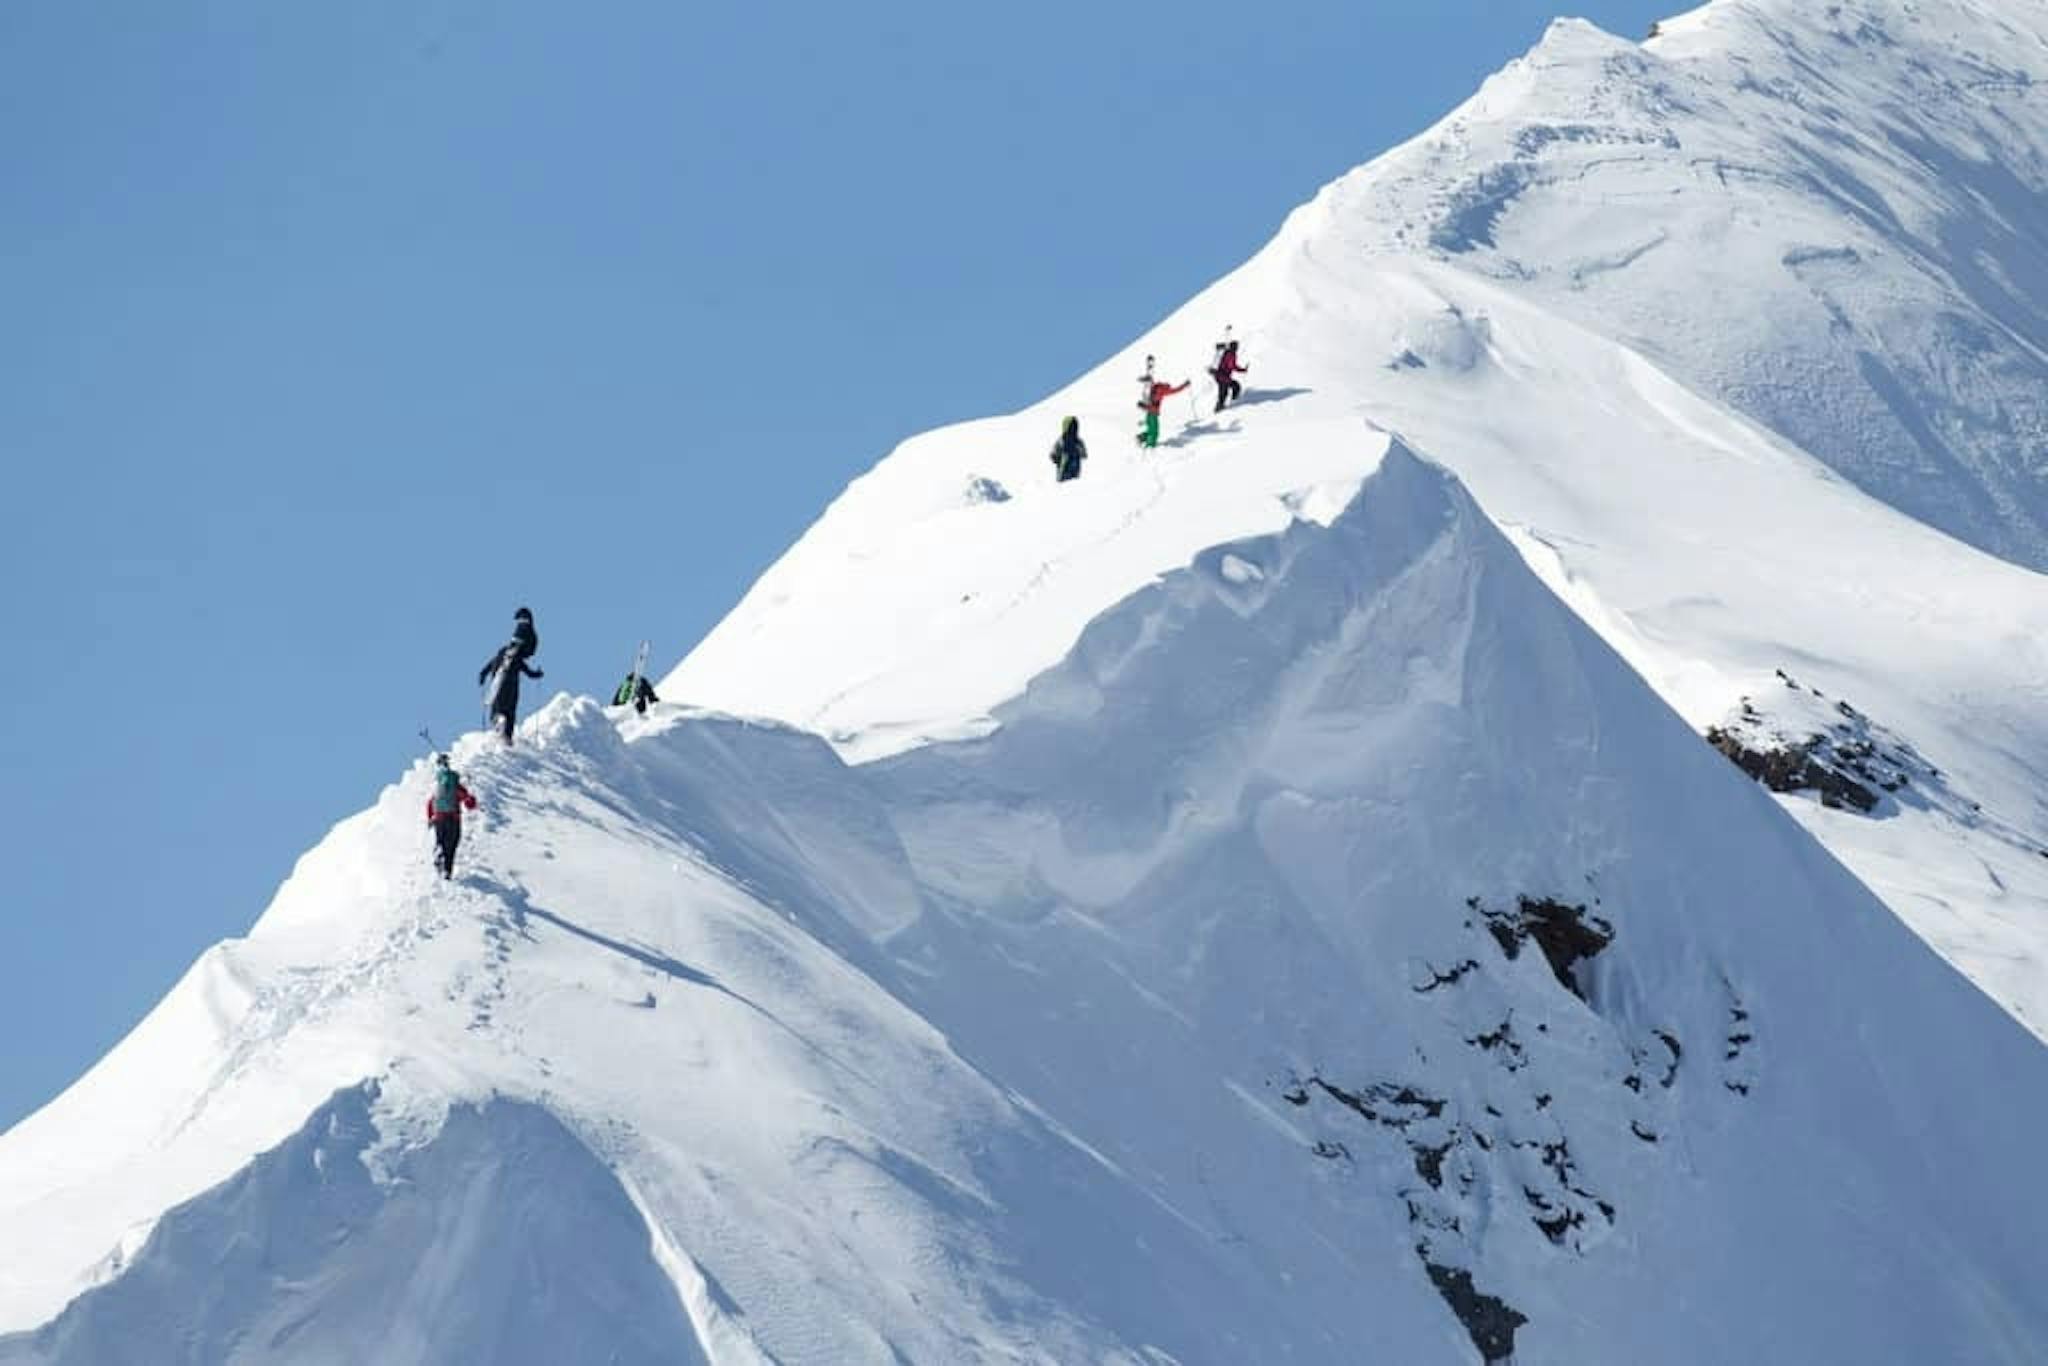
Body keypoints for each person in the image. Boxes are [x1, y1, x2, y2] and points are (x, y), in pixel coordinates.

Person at [480, 639, 544, 745]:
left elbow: (485, 669)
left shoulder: (499, 656)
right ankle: (507, 738)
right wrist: (539, 674)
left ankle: (498, 724)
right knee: (510, 714)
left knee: (496, 710)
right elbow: (530, 673)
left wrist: (482, 677)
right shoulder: (517, 658)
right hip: (511, 691)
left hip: (498, 688)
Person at [425, 753, 478, 879]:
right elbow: (469, 803)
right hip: (453, 818)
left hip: (439, 817)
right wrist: (471, 798)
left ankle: (439, 853)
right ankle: (447, 871)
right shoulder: (457, 787)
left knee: (441, 840)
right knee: (452, 844)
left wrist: (430, 818)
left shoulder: (438, 787)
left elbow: (430, 803)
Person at [1138, 376, 1189, 449]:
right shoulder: (1162, 390)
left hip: (1149, 413)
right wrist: (1185, 385)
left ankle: (1140, 438)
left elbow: (1150, 398)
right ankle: (1150, 445)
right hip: (1153, 413)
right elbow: (1175, 390)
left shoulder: (1155, 387)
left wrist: (1143, 406)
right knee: (1154, 432)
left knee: (1150, 430)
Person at [1210, 338, 1248, 412]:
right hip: (1223, 376)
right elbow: (1232, 366)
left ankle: (1221, 407)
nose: (1237, 348)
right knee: (1234, 387)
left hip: (1219, 375)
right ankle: (1232, 403)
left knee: (1225, 392)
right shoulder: (1231, 354)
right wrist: (1242, 370)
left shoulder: (1226, 352)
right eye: (1237, 347)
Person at [1049, 416, 1088, 482]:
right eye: (1071, 427)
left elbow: (1084, 455)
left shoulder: (1076, 441)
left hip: (1073, 472)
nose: (1073, 430)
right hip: (1064, 472)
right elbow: (1053, 455)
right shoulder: (1063, 441)